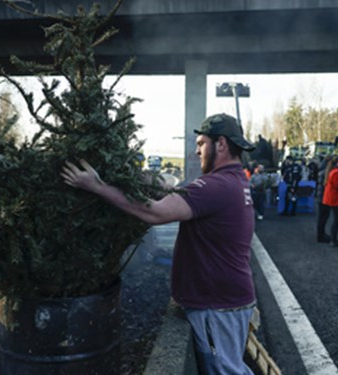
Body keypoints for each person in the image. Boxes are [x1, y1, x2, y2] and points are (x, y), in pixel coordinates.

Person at [61, 113, 257, 374]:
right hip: (226, 300)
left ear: (220, 144)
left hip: (216, 306)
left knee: (226, 371)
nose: (197, 151)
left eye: (201, 144)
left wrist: (97, 186)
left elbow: (154, 212)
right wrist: (131, 176)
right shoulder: (233, 181)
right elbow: (177, 193)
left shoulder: (216, 185)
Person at [316, 155, 334, 243]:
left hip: (320, 196)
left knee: (321, 217)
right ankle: (321, 235)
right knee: (323, 217)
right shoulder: (326, 172)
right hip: (324, 196)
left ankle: (320, 234)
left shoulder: (321, 170)